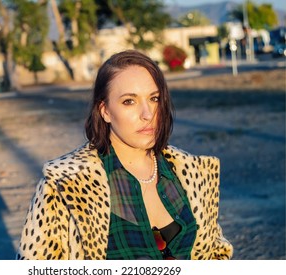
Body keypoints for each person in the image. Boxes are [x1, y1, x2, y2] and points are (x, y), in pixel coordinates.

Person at [16, 49, 233, 260]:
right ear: (105, 111)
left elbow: (214, 253)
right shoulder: (66, 183)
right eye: (129, 101)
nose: (147, 114)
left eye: (154, 98)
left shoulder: (191, 172)